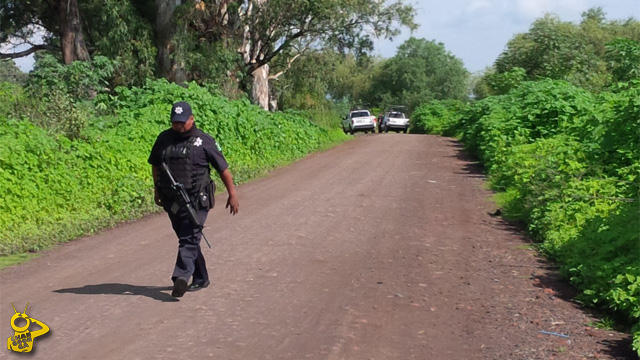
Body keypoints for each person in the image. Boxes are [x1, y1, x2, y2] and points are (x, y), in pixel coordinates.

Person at [148, 101, 239, 298]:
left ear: (192, 119)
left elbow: (223, 169)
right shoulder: (164, 139)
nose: (178, 126)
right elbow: (155, 165)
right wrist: (156, 189)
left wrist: (232, 193)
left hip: (198, 199)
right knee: (186, 238)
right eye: (175, 122)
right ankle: (201, 277)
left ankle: (181, 277)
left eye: (182, 122)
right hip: (172, 200)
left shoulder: (204, 141)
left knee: (189, 237)